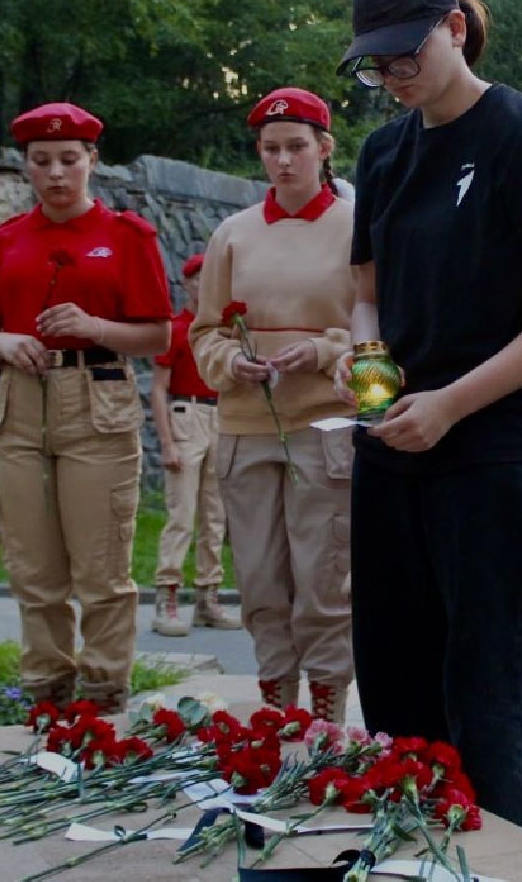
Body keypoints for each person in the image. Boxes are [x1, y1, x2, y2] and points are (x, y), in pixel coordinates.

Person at [334, 0, 522, 836]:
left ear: (454, 27)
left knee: (494, 704)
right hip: (393, 457)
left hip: (494, 460)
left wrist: (450, 402)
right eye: (377, 64)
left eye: (406, 55)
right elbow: (365, 291)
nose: (393, 78)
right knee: (399, 696)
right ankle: (411, 853)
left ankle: (511, 860)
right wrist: (372, 381)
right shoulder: (381, 153)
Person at [0, 102, 172, 713]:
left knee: (102, 568)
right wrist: (3, 341)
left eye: (69, 160)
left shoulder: (126, 237)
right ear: (25, 166)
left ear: (92, 162)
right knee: (33, 569)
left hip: (95, 399)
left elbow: (158, 336)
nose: (56, 173)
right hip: (16, 404)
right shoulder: (7, 241)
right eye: (42, 161)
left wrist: (93, 325)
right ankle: (45, 698)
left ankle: (105, 698)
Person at [191, 87, 356, 719]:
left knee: (324, 574)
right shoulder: (233, 234)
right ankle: (275, 706)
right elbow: (204, 330)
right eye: (270, 149)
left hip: (324, 424)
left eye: (296, 147)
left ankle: (327, 711)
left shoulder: (357, 225)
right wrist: (230, 361)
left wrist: (319, 352)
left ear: (323, 148)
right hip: (245, 423)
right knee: (259, 576)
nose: (284, 161)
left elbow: (379, 329)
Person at [149, 252, 240, 636]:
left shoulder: (223, 331)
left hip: (221, 414)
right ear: (186, 284)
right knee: (181, 513)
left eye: (210, 278)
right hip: (187, 414)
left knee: (215, 515)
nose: (204, 286)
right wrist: (167, 441)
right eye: (196, 278)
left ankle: (208, 595)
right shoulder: (176, 327)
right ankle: (167, 595)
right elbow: (158, 387)